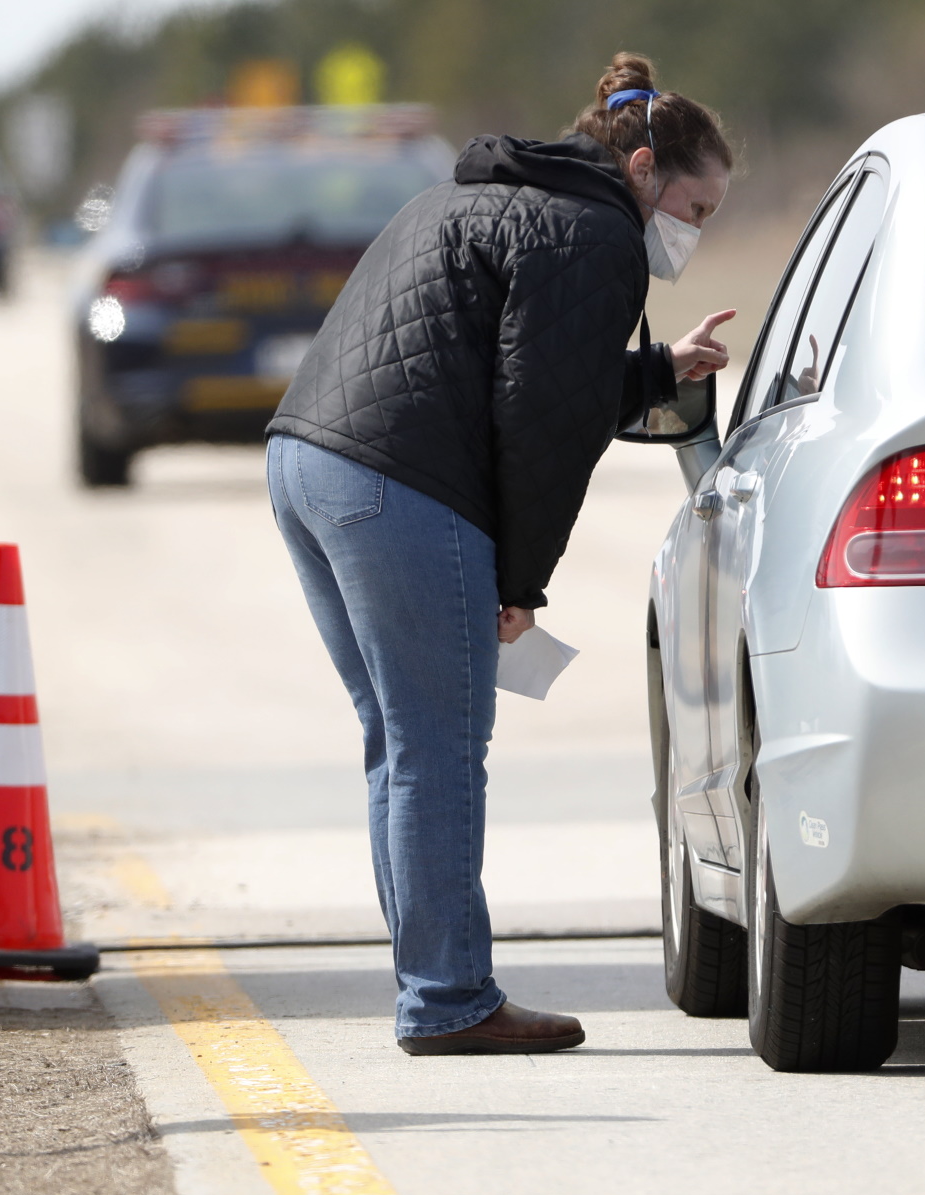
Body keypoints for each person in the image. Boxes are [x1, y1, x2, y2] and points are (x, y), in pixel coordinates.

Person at [264, 53, 734, 1055]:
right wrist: (517, 584)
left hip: (307, 462)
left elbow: (513, 363)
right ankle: (447, 1000)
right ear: (645, 166)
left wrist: (656, 369)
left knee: (400, 743)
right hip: (400, 485)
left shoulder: (494, 196)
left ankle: (430, 984)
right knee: (439, 748)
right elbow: (539, 425)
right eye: (696, 204)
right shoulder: (599, 233)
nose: (697, 228)